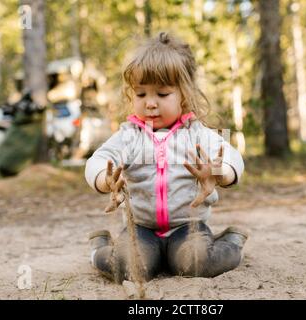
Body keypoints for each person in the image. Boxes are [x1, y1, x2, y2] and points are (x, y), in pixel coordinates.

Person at [84, 32, 247, 283]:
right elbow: (98, 159)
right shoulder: (129, 135)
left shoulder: (197, 134)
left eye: (162, 94)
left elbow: (233, 158)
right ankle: (101, 246)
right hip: (141, 228)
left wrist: (220, 172)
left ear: (184, 94)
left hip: (188, 228)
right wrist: (104, 179)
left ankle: (230, 240)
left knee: (196, 263)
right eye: (141, 94)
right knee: (131, 267)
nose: (150, 103)